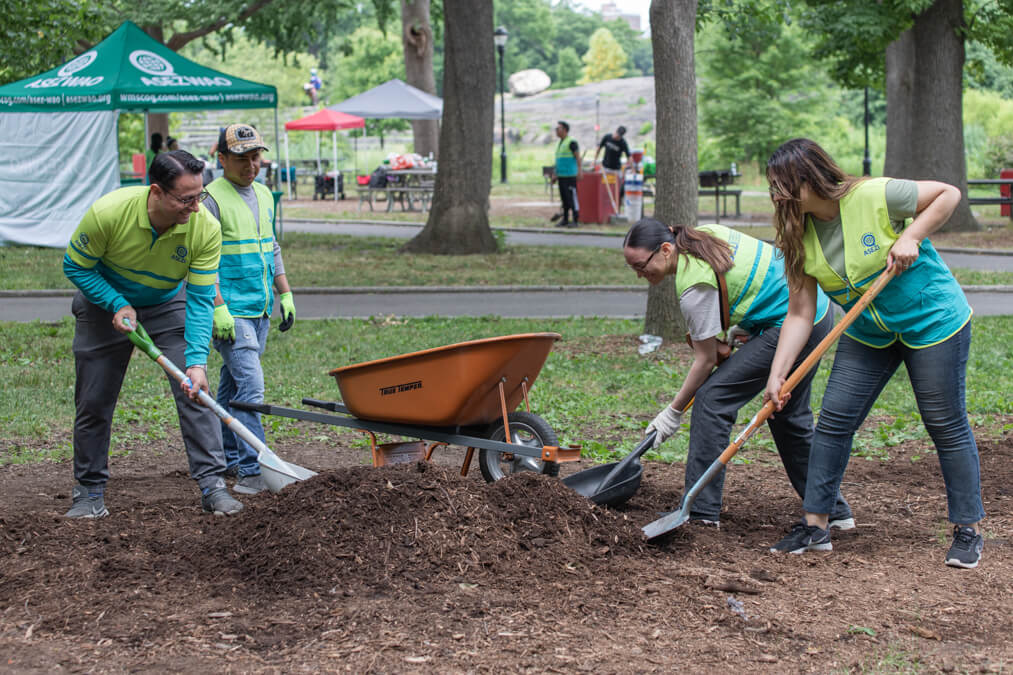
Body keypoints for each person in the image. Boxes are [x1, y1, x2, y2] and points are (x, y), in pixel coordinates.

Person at [763, 138, 985, 568]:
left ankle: (968, 529)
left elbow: (948, 194)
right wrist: (778, 372)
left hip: (932, 322)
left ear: (809, 179)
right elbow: (800, 313)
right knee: (834, 422)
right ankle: (816, 525)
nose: (776, 195)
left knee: (945, 423)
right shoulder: (798, 234)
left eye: (781, 185)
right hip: (868, 333)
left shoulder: (874, 195)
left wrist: (912, 236)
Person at [625, 218, 853, 528]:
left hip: (795, 323)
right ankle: (834, 512)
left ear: (666, 249)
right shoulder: (706, 234)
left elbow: (706, 361)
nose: (639, 274)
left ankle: (701, 514)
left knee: (712, 400)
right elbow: (752, 278)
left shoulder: (693, 286)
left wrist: (672, 412)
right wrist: (748, 324)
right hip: (816, 311)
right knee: (788, 418)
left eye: (641, 266)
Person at [62, 150, 243, 518]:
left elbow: (200, 298)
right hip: (104, 302)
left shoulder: (205, 227)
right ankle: (89, 492)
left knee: (195, 389)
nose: (196, 207)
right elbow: (76, 267)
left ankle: (213, 485)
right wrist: (116, 303)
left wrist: (196, 361)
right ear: (157, 192)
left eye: (200, 195)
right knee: (95, 398)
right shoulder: (109, 213)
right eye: (186, 199)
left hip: (167, 301)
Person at [204, 124, 296, 495]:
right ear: (222, 159)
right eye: (242, 158)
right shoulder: (210, 199)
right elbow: (202, 258)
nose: (251, 165)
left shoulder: (264, 194)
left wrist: (285, 293)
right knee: (251, 388)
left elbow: (270, 246)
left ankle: (228, 456)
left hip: (260, 307)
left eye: (256, 157)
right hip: (230, 310)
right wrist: (218, 306)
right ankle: (251, 471)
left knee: (232, 386)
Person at [551, 120, 581, 228]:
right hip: (561, 176)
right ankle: (565, 219)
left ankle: (575, 220)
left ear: (564, 130)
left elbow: (578, 158)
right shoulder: (560, 143)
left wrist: (579, 171)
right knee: (564, 199)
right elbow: (558, 160)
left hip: (570, 176)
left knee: (572, 198)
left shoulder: (571, 142)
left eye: (558, 128)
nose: (556, 130)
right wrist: (555, 174)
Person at [594, 125, 630, 204]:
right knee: (601, 185)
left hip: (616, 169)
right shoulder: (607, 137)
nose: (617, 137)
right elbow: (599, 149)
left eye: (619, 136)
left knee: (620, 187)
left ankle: (618, 202)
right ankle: (602, 201)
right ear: (615, 132)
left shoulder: (622, 143)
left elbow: (629, 156)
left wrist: (633, 169)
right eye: (617, 135)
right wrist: (594, 161)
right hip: (605, 167)